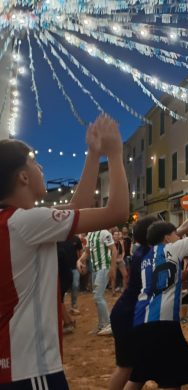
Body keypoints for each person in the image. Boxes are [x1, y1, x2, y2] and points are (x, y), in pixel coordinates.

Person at [0, 113, 128, 388]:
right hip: (28, 367)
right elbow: (118, 211)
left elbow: (77, 206)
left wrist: (93, 156)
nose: (40, 166)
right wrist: (115, 154)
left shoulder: (15, 220)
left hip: (14, 363)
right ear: (23, 177)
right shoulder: (26, 222)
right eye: (34, 162)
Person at [126, 197, 188, 390]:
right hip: (164, 323)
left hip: (141, 321)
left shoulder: (146, 256)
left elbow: (167, 280)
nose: (178, 236)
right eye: (175, 233)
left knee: (139, 374)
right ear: (167, 238)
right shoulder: (173, 249)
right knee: (172, 376)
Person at [108, 216, 157, 390]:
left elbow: (179, 234)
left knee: (140, 367)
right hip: (127, 316)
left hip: (128, 314)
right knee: (125, 367)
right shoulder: (147, 256)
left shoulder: (143, 250)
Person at [78, 228, 117, 336]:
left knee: (98, 296)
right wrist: (79, 260)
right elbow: (87, 252)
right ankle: (102, 324)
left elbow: (114, 250)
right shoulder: (90, 234)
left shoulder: (104, 233)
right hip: (96, 269)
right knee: (97, 297)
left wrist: (113, 268)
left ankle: (109, 324)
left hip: (104, 267)